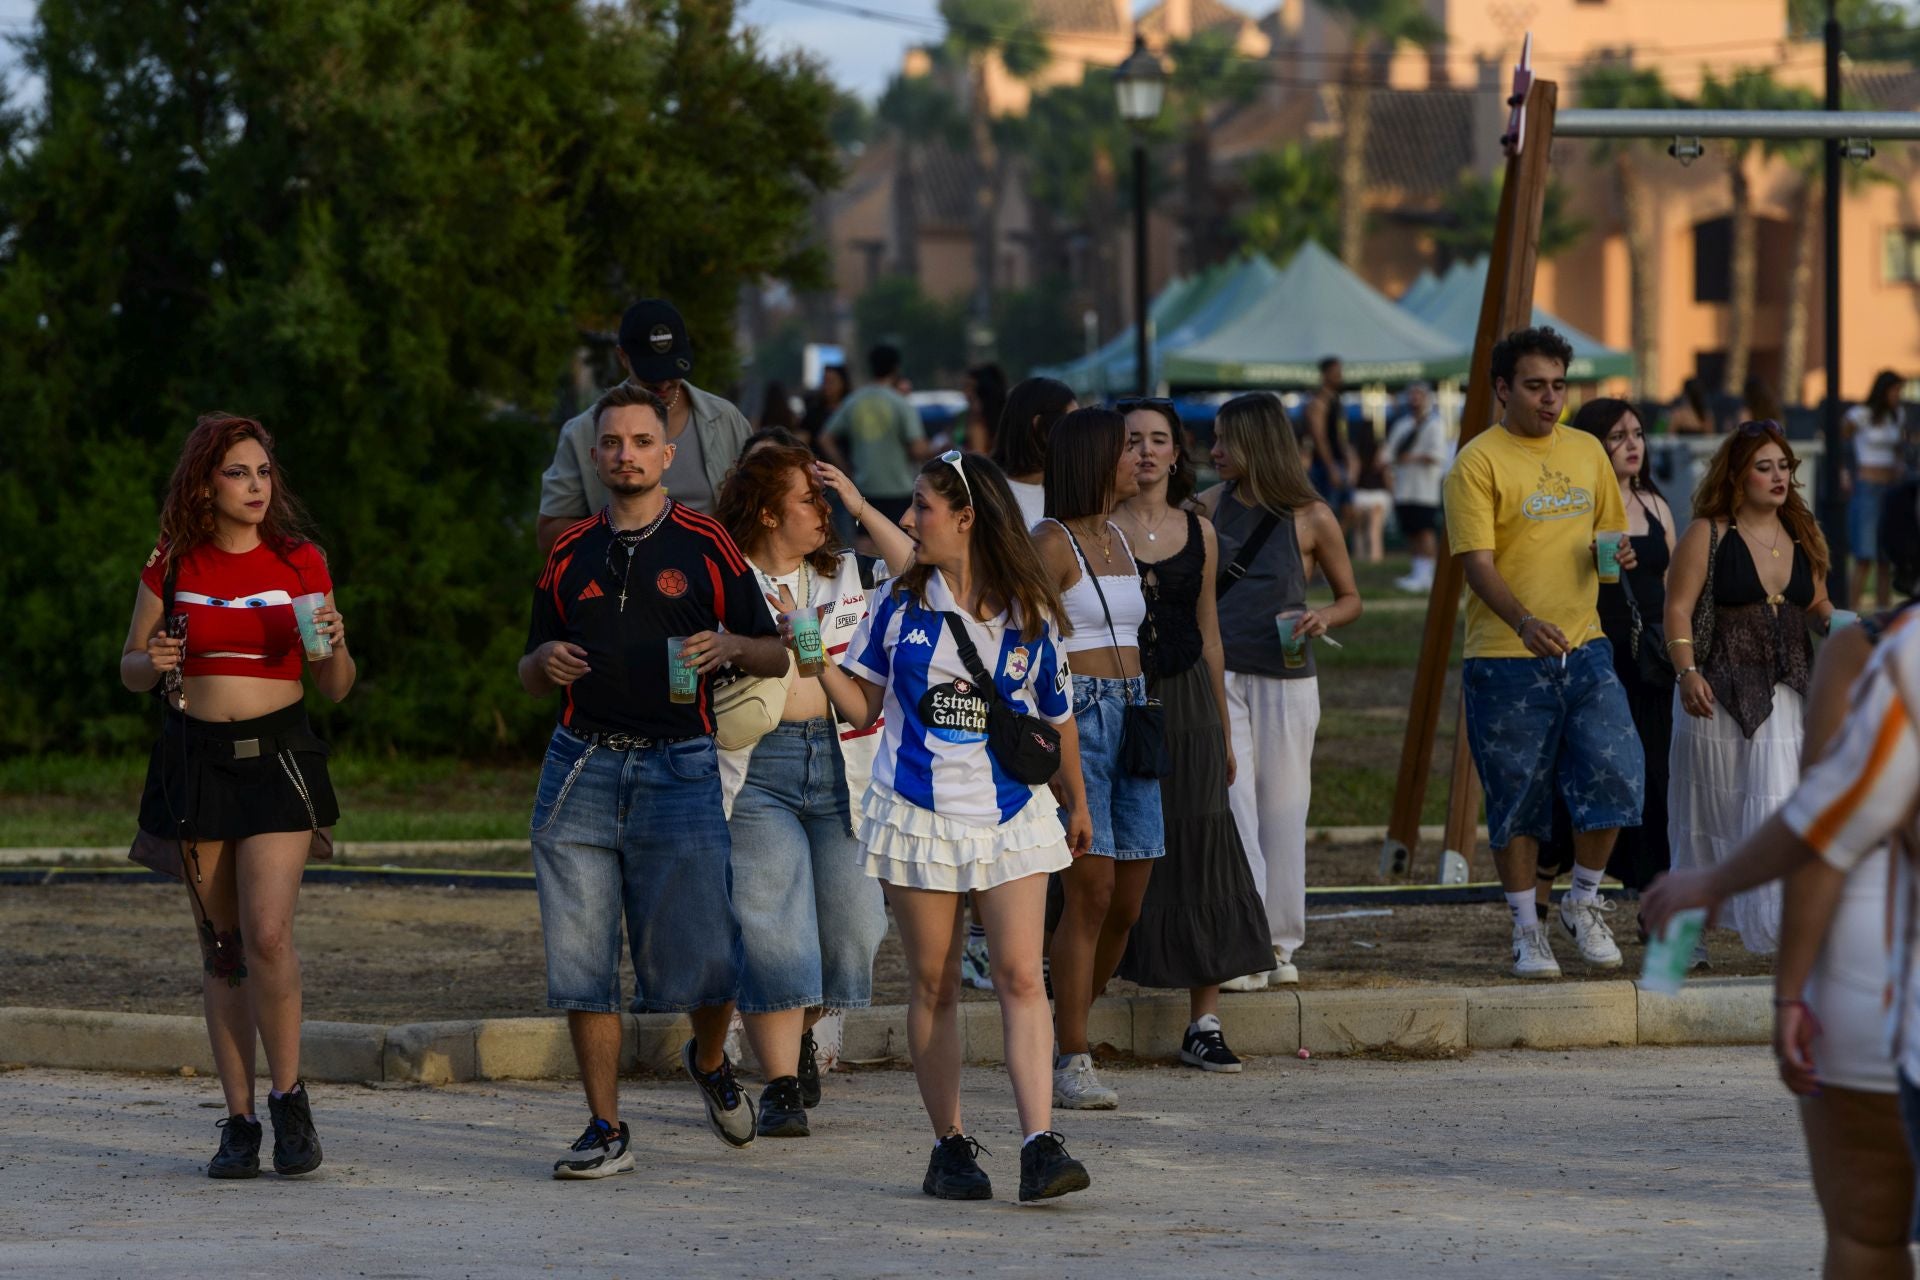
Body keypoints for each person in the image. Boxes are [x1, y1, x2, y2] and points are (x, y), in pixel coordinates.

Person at [518, 383, 789, 1179]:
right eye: (612, 443)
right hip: (581, 764)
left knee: (705, 960)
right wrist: (544, 662)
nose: (626, 455)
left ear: (667, 455)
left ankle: (708, 1059)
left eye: (641, 442)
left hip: (679, 767)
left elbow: (775, 652)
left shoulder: (707, 543)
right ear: (595, 454)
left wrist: (729, 646)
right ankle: (605, 1128)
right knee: (580, 960)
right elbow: (530, 671)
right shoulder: (568, 552)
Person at [814, 450, 1095, 1204]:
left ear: (967, 518)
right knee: (934, 983)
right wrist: (813, 658)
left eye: (922, 507)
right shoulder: (896, 605)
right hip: (916, 815)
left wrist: (1079, 802)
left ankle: (1040, 1144)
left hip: (1011, 818)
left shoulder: (1029, 610)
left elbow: (1056, 718)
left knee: (1016, 977)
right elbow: (865, 709)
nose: (908, 520)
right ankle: (951, 1147)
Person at [1643, 611, 1920, 1275]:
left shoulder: (1891, 648)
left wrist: (1719, 885)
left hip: (1872, 974)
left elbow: (1832, 819)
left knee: (1867, 1232)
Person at [122, 413, 356, 1179]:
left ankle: (291, 1100)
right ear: (205, 482)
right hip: (195, 760)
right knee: (222, 950)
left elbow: (336, 685)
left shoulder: (300, 560)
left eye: (263, 472)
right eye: (238, 473)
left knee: (267, 935)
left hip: (281, 756)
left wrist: (335, 639)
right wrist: (150, 659)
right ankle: (239, 1121)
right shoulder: (173, 563)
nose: (256, 486)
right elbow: (129, 666)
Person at [1444, 326, 1643, 980]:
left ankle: (1582, 902)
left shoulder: (1588, 452)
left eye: (1559, 385)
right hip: (1504, 656)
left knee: (1617, 770)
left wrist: (1615, 555)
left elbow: (1607, 540)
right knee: (1517, 800)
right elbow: (1476, 563)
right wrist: (1524, 621)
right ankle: (1527, 928)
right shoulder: (1478, 461)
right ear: (1503, 388)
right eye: (1535, 386)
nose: (1551, 399)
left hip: (1586, 649)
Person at [711, 445, 898, 1138]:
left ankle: (791, 1032)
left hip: (843, 764)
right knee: (772, 929)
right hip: (759, 770)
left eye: (825, 502)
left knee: (854, 934)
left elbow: (923, 568)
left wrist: (858, 505)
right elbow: (683, 660)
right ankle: (783, 1082)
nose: (822, 513)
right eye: (808, 501)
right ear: (766, 513)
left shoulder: (851, 573)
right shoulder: (724, 577)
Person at [1112, 397, 1272, 1071]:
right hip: (1112, 700)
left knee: (1205, 841)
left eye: (1158, 440)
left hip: (1188, 703)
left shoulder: (1200, 532)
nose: (1146, 451)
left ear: (1178, 453)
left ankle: (1203, 1019)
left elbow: (1209, 635)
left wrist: (1224, 728)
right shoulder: (1090, 531)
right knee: (1114, 849)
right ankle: (1079, 1002)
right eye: (1133, 440)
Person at [1199, 393, 1361, 988]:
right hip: (1220, 674)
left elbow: (1352, 598)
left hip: (1289, 675)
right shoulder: (1206, 508)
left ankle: (1279, 942)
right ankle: (1246, 945)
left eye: (1225, 440)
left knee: (1285, 810)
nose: (1213, 451)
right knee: (1235, 805)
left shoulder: (1312, 516)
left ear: (1257, 444)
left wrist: (1324, 616)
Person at [1032, 408, 1165, 1110]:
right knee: (1092, 891)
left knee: (1130, 895)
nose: (1137, 459)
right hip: (1080, 715)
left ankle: (1068, 1008)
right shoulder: (1049, 541)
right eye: (1124, 449)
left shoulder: (1115, 533)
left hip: (1134, 706)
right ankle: (1071, 1053)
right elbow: (1018, 633)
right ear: (1092, 460)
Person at [1779, 604, 1916, 1280]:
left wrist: (1788, 994)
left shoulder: (1865, 648)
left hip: (1873, 958)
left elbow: (1824, 826)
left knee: (1868, 1232)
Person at [1664, 422, 1832, 956]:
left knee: (1779, 806)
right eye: (1765, 466)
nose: (1778, 476)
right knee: (1705, 815)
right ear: (1738, 475)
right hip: (1715, 692)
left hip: (1786, 695)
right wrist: (1687, 671)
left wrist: (1862, 629)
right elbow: (1677, 608)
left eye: (1784, 466)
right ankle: (1681, 945)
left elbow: (1818, 608)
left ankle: (1781, 934)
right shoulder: (1708, 533)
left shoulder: (1803, 533)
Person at [1543, 400, 1678, 898]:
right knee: (1596, 769)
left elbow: (1673, 579)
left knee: (1657, 777)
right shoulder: (1579, 503)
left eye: (1638, 434)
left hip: (1653, 660)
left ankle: (1651, 895)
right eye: (1618, 436)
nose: (1632, 445)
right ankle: (1573, 881)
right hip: (1600, 651)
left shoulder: (1655, 504)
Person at [537, 299, 753, 551]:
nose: (662, 383)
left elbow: (759, 508)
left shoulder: (725, 419)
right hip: (623, 584)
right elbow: (548, 534)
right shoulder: (583, 431)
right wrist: (622, 534)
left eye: (672, 369)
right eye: (651, 373)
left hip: (715, 581)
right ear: (623, 358)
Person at [818, 343, 930, 530]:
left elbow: (825, 438)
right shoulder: (900, 403)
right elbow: (919, 449)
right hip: (899, 487)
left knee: (867, 549)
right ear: (896, 369)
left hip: (864, 488)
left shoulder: (854, 400)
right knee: (899, 546)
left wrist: (846, 471)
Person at [1846, 369, 1906, 610]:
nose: (1897, 395)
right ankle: (1850, 610)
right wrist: (1844, 470)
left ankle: (1883, 610)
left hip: (1890, 487)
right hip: (1868, 486)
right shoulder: (1861, 414)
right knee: (1864, 555)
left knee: (1885, 557)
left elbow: (1898, 449)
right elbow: (1840, 441)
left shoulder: (1897, 415)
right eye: (1894, 390)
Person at [990, 376, 1077, 531]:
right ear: (1038, 426)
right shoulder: (989, 494)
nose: (1080, 435)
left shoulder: (1066, 495)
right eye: (1071, 424)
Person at [1384, 382, 1448, 593]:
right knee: (1411, 531)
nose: (1414, 400)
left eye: (1418, 395)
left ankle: (1428, 575)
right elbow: (1390, 453)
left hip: (1424, 489)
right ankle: (1417, 572)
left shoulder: (1435, 424)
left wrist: (1409, 457)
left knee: (1425, 531)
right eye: (1412, 395)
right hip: (1404, 488)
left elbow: (1437, 456)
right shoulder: (1402, 424)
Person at [1298, 356, 1351, 514]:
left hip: (1337, 462)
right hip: (1324, 464)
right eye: (1336, 372)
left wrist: (1349, 459)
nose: (1340, 376)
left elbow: (1341, 436)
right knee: (1327, 512)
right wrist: (1330, 467)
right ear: (1325, 374)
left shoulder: (1335, 400)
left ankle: (1334, 539)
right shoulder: (1318, 402)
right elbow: (1319, 437)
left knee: (1349, 510)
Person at [1346, 408, 1392, 564]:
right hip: (1378, 494)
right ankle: (1375, 558)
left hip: (1360, 495)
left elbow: (1353, 475)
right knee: (1375, 530)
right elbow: (1386, 474)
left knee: (1358, 530)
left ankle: (1359, 557)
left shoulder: (1354, 450)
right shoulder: (1381, 448)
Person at [799, 364, 850, 445]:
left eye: (831, 382)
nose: (826, 386)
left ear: (843, 383)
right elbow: (802, 440)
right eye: (824, 381)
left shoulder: (851, 411)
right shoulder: (814, 412)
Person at [964, 363, 1008, 456]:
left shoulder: (979, 425)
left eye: (970, 388)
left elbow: (978, 462)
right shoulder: (1007, 420)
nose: (966, 394)